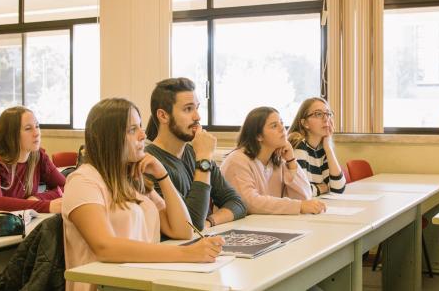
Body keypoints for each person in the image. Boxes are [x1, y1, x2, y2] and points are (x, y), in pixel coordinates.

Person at [63, 98, 224, 291]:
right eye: (132, 130)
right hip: (104, 285)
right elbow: (105, 247)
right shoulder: (84, 181)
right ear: (109, 138)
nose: (143, 134)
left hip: (140, 281)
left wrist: (163, 175)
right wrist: (187, 253)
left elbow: (183, 230)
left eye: (140, 126)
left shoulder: (133, 180)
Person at [144, 77, 246, 230]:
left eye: (197, 108)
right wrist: (204, 159)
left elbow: (237, 203)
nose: (197, 117)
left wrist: (210, 221)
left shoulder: (195, 152)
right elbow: (191, 223)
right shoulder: (149, 164)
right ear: (163, 116)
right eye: (188, 109)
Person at [220, 106, 326, 215]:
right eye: (274, 126)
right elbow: (249, 203)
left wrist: (291, 161)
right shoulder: (237, 161)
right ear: (258, 136)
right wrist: (298, 206)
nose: (282, 128)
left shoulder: (278, 160)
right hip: (237, 228)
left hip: (267, 225)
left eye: (281, 123)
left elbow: (304, 197)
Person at [0, 106, 64, 213]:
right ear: (11, 135)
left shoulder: (38, 156)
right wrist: (46, 206)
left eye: (37, 126)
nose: (37, 133)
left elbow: (66, 186)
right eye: (28, 128)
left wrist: (39, 198)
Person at [288, 97, 346, 196]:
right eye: (318, 114)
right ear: (305, 123)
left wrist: (328, 146)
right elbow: (300, 191)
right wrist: (321, 188)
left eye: (328, 114)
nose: (326, 119)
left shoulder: (322, 148)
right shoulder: (299, 145)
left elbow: (338, 188)